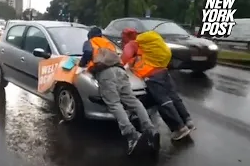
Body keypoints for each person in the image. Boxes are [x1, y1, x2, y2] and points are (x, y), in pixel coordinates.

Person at [78, 27, 160, 155]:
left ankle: (132, 135)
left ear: (90, 36)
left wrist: (81, 64)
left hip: (106, 73)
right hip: (121, 71)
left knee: (114, 103)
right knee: (133, 100)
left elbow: (88, 53)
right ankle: (150, 130)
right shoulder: (108, 43)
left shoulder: (90, 42)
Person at [121, 28, 196, 141]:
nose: (122, 41)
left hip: (152, 75)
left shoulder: (132, 44)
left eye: (123, 38)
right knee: (173, 97)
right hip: (163, 71)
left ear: (126, 37)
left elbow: (125, 56)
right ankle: (187, 121)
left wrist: (118, 64)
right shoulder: (146, 44)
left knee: (163, 102)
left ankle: (179, 128)